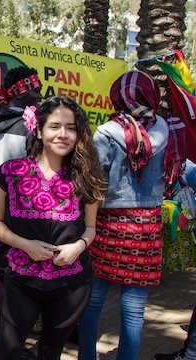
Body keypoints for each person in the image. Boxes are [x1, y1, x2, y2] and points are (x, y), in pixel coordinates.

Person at [0, 96, 106, 360]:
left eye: (71, 127)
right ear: (38, 130)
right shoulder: (11, 172)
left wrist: (78, 247)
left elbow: (90, 229)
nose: (63, 134)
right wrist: (25, 245)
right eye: (54, 126)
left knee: (50, 352)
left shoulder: (87, 176)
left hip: (71, 282)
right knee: (5, 352)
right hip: (21, 278)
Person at [78, 70, 182, 360]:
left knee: (93, 301)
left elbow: (93, 180)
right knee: (134, 311)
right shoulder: (167, 128)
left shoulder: (108, 132)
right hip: (148, 227)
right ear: (151, 95)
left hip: (109, 226)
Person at [0, 66, 43, 281]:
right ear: (21, 92)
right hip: (25, 222)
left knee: (6, 284)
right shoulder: (29, 129)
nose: (40, 96)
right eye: (36, 90)